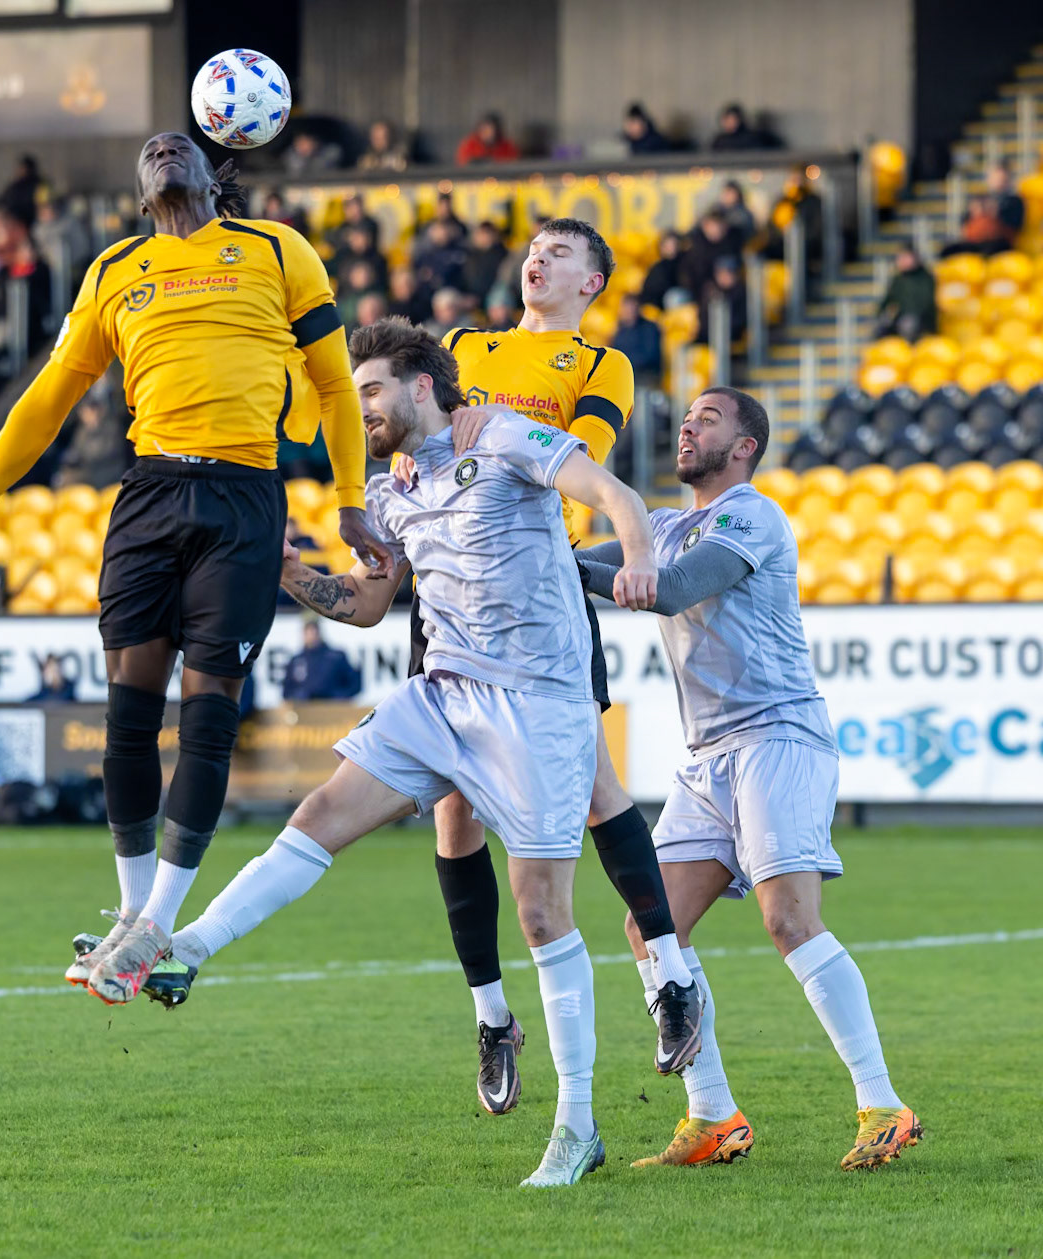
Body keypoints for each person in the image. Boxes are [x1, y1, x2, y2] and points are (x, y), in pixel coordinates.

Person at [153, 317, 662, 1187]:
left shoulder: (503, 435)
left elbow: (617, 497)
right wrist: (286, 573)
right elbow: (363, 602)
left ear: (424, 386)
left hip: (539, 701)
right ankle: (189, 947)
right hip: (444, 690)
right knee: (319, 814)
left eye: (374, 391)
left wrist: (642, 560)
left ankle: (577, 1124)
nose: (364, 410)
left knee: (541, 912)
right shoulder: (388, 491)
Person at [0, 133, 387, 1007]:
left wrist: (350, 498)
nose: (165, 148)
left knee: (208, 716)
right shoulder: (113, 271)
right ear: (140, 194)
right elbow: (45, 401)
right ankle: (134, 921)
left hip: (245, 499)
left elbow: (334, 384)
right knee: (128, 714)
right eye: (150, 150)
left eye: (182, 145)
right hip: (148, 496)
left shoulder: (279, 251)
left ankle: (158, 920)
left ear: (216, 176)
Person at [392, 217, 703, 1113]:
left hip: (541, 595)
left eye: (562, 252)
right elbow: (420, 439)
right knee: (453, 813)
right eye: (535, 248)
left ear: (592, 284)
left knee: (599, 788)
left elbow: (580, 463)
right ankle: (493, 1018)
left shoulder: (601, 365)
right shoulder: (464, 346)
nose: (539, 258)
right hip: (450, 593)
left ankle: (668, 976)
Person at [575, 387, 922, 1170]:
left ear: (744, 445)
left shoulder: (752, 515)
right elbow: (578, 568)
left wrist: (598, 571)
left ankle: (882, 1102)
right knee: (650, 927)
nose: (687, 426)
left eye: (707, 417)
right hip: (707, 757)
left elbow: (673, 586)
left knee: (789, 918)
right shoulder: (658, 526)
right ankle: (713, 1114)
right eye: (687, 416)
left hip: (777, 735)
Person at [56, 396, 134, 490]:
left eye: (88, 411)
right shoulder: (82, 430)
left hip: (107, 473)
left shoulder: (111, 428)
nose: (84, 415)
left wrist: (91, 431)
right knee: (64, 477)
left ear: (97, 411)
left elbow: (99, 454)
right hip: (88, 471)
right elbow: (77, 450)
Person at [280, 620, 363, 701]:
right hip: (305, 710)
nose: (311, 636)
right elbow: (286, 692)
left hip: (333, 709)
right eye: (308, 633)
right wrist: (299, 697)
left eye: (314, 632)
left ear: (319, 634)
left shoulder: (336, 658)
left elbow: (354, 685)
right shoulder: (296, 661)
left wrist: (338, 697)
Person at [874, 246, 936, 341]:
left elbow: (927, 303)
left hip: (923, 320)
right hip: (901, 318)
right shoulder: (898, 280)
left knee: (908, 325)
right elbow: (888, 300)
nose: (901, 261)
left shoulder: (925, 278)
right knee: (880, 328)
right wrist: (879, 314)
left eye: (904, 257)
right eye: (899, 258)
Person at [610, 293, 662, 384]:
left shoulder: (649, 328)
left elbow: (650, 356)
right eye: (625, 308)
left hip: (644, 375)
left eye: (630, 307)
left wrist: (625, 364)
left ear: (637, 308)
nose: (627, 311)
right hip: (625, 373)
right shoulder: (620, 330)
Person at [461, 220, 508, 301]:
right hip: (472, 295)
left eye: (487, 233)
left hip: (494, 294)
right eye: (481, 233)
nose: (484, 237)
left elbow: (504, 279)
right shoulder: (469, 255)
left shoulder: (503, 255)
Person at [640, 231, 686, 309]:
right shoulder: (657, 268)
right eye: (668, 245)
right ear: (661, 248)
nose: (672, 248)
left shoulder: (684, 263)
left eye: (674, 245)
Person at [709, 104, 781, 153]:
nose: (728, 122)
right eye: (726, 119)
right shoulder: (719, 141)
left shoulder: (751, 138)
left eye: (731, 119)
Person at [455, 113, 520, 165]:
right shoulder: (469, 145)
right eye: (484, 130)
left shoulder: (507, 147)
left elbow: (513, 165)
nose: (486, 133)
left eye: (490, 130)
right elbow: (463, 164)